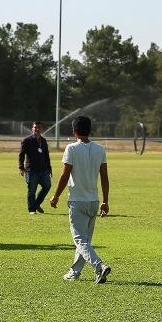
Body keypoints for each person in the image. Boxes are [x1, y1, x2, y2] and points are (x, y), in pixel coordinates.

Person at [49, 115, 112, 284]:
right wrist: (105, 201)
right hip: (94, 201)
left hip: (77, 201)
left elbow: (65, 175)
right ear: (90, 130)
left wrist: (56, 196)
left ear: (74, 131)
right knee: (85, 242)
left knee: (80, 240)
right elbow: (104, 178)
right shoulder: (100, 149)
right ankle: (74, 272)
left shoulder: (71, 148)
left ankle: (99, 265)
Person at [18, 120, 53, 214]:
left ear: (41, 129)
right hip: (31, 169)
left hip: (43, 169)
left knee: (47, 186)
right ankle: (32, 209)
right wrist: (21, 167)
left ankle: (36, 203)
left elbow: (46, 155)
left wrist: (49, 168)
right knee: (32, 190)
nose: (37, 129)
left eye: (39, 127)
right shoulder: (27, 140)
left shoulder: (43, 141)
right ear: (32, 129)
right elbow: (21, 154)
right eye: (35, 127)